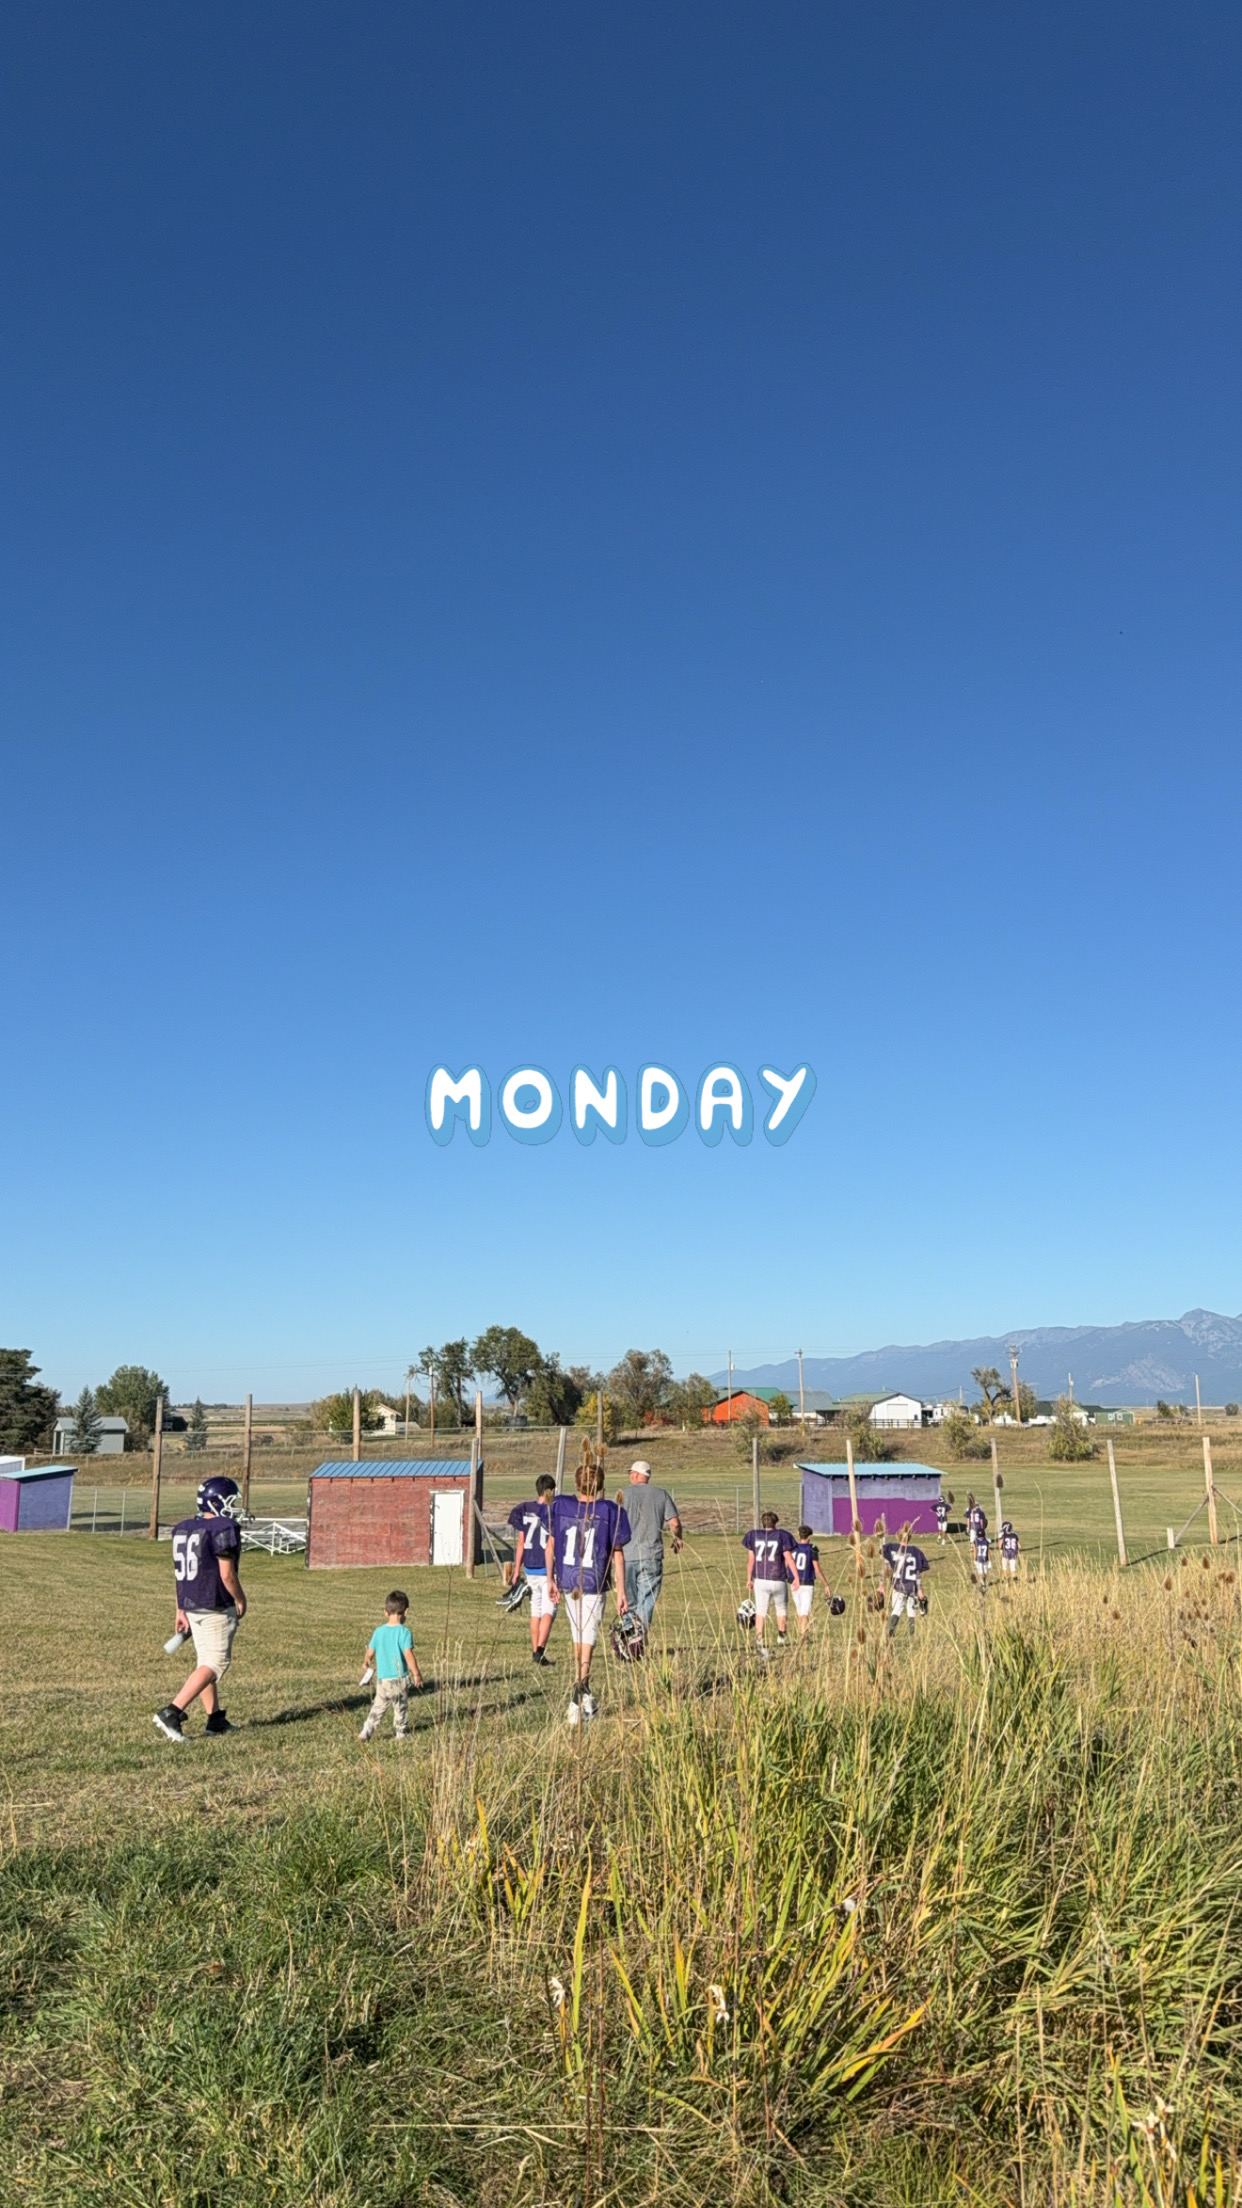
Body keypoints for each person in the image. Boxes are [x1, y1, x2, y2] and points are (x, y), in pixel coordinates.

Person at [153, 1475, 248, 1742]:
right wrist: (241, 1599)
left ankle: (215, 1719)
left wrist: (180, 1608)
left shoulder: (185, 1528)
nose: (233, 1507)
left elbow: (181, 1575)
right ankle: (171, 1712)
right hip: (214, 1604)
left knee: (204, 1662)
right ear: (216, 1502)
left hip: (193, 1604)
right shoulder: (222, 1527)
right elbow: (226, 1574)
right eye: (230, 1501)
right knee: (215, 1663)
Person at [546, 1454, 630, 1725]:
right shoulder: (609, 1511)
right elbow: (618, 1554)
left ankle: (585, 1694)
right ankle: (577, 1695)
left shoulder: (561, 1506)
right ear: (601, 1486)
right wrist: (621, 1591)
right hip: (594, 1581)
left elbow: (550, 1545)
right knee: (588, 1639)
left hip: (569, 1579)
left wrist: (550, 1579)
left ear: (576, 1484)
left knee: (578, 1637)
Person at [619, 1459, 682, 1633]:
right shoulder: (661, 1494)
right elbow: (675, 1523)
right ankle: (639, 1637)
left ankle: (628, 1636)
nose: (630, 1476)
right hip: (652, 1555)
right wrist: (678, 1539)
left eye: (631, 1473)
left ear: (636, 1475)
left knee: (628, 1601)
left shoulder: (623, 1494)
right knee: (646, 1600)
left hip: (627, 1555)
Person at [359, 1589, 424, 1741]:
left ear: (385, 1612)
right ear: (406, 1612)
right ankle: (401, 1733)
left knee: (378, 1706)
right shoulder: (404, 1633)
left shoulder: (378, 1632)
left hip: (383, 1680)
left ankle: (367, 1730)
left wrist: (366, 1661)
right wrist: (416, 1674)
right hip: (399, 1679)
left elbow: (370, 1651)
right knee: (400, 1707)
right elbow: (408, 1655)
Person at [507, 1475, 558, 1663]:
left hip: (530, 1567)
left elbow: (521, 1542)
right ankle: (539, 1651)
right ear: (551, 1491)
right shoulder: (553, 1511)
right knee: (549, 1609)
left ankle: (535, 1650)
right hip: (546, 1567)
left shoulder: (526, 1509)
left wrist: (516, 1570)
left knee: (535, 1609)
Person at [742, 1510, 795, 1656]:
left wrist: (749, 1579)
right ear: (775, 1523)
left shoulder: (754, 1535)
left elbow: (751, 1561)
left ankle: (759, 1639)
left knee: (761, 1610)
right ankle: (781, 1636)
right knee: (781, 1609)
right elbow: (789, 1558)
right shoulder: (782, 1535)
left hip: (760, 1578)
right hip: (778, 1577)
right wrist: (795, 1577)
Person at [882, 1529, 929, 1638]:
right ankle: (911, 1634)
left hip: (899, 1585)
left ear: (898, 1536)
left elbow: (882, 1551)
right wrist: (920, 1590)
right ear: (910, 1537)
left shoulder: (892, 1548)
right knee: (912, 1611)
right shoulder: (916, 1551)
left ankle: (891, 1631)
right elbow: (917, 1573)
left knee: (897, 1609)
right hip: (911, 1586)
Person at [788, 1524, 832, 1636]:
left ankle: (800, 1633)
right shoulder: (812, 1549)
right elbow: (817, 1569)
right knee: (805, 1612)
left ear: (799, 1536)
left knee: (799, 1611)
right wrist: (826, 1584)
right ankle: (803, 1636)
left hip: (793, 1582)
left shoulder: (793, 1548)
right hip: (807, 1583)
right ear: (809, 1537)